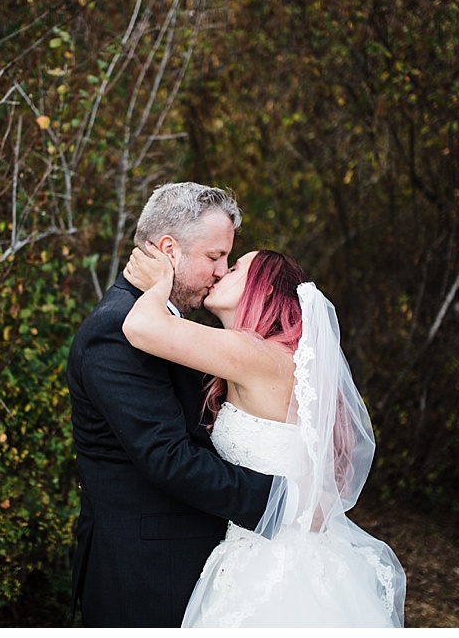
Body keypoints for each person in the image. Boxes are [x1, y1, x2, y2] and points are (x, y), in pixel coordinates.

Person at [121, 244, 406, 627]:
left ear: (266, 289)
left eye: (235, 267)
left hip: (270, 568)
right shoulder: (279, 358)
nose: (221, 273)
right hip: (280, 550)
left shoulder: (256, 354)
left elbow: (141, 327)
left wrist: (160, 284)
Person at [67, 183, 275, 627]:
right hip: (145, 573)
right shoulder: (116, 331)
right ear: (168, 250)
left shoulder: (166, 325)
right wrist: (276, 500)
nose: (221, 272)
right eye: (215, 257)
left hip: (182, 561)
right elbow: (169, 457)